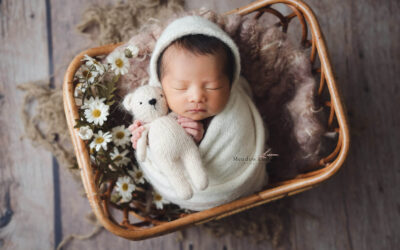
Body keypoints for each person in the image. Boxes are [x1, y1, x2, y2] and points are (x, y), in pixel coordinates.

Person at [128, 33, 235, 147]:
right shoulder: (155, 114)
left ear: (230, 84)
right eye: (180, 87)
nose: (196, 97)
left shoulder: (234, 116)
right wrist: (145, 140)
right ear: (160, 85)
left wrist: (198, 141)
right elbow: (154, 159)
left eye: (213, 87)